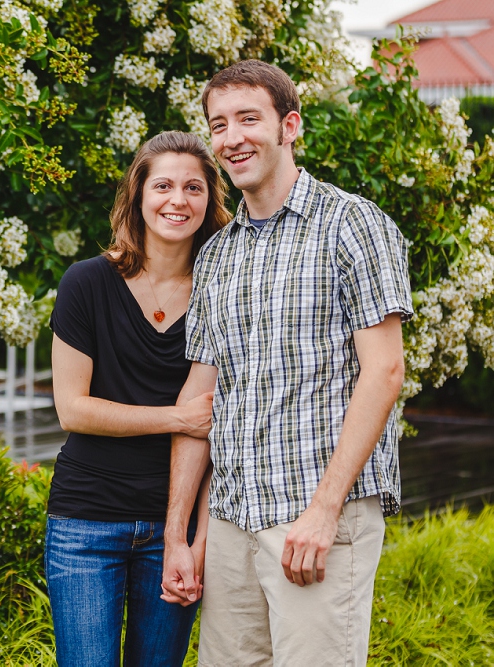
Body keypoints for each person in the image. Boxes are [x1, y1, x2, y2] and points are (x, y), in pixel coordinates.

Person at [160, 60, 413, 666]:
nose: (232, 137)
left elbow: (384, 373)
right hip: (231, 525)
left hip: (315, 519)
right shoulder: (218, 254)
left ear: (289, 125)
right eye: (218, 125)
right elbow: (200, 398)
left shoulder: (352, 225)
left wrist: (324, 512)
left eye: (249, 118)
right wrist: (183, 536)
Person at [46, 131, 232, 667]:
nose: (179, 200)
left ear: (209, 200)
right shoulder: (86, 283)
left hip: (173, 530)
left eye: (194, 187)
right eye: (164, 185)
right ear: (139, 194)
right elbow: (73, 409)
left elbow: (221, 432)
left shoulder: (223, 291)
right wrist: (178, 416)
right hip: (86, 522)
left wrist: (197, 542)